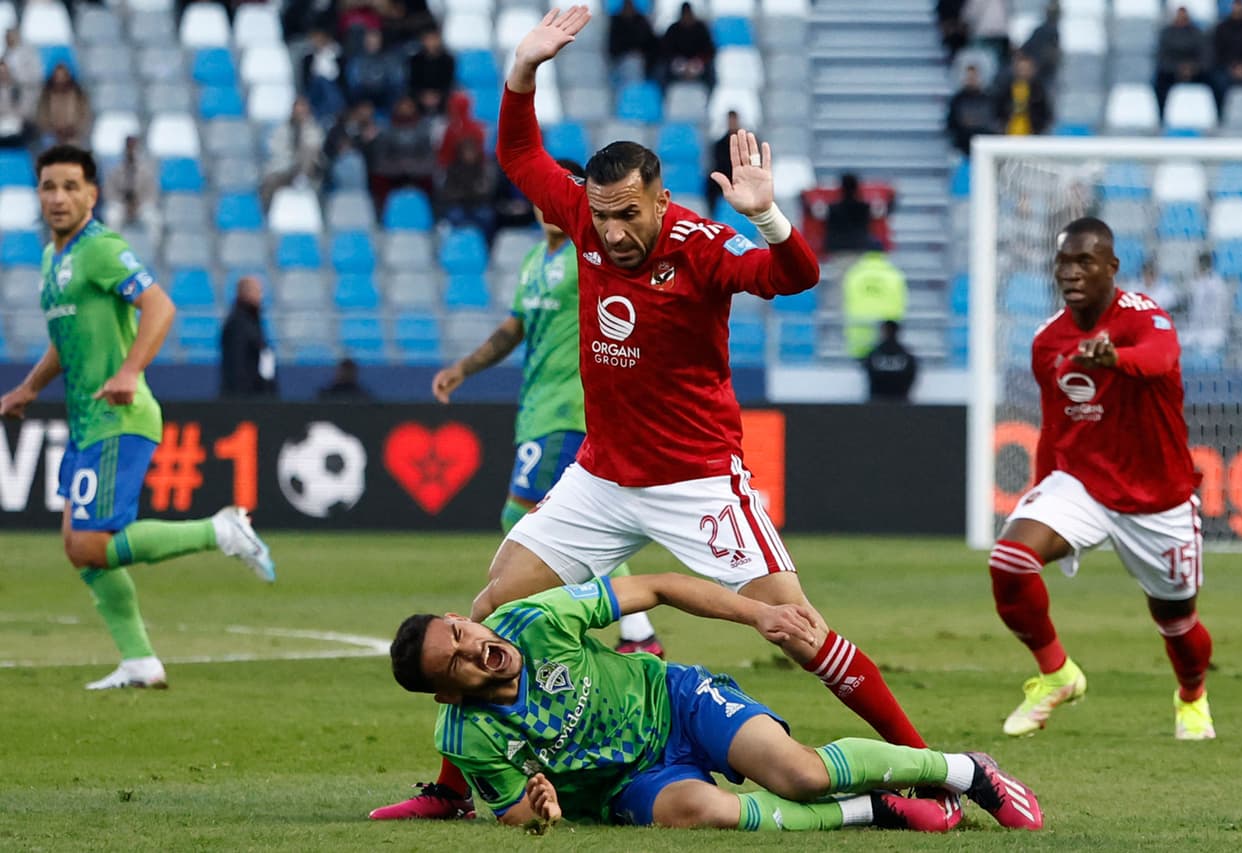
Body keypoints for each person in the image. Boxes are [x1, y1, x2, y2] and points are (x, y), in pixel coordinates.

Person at [371, 6, 933, 822]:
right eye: (600, 215)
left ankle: (924, 765)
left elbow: (795, 276)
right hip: (602, 476)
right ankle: (453, 791)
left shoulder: (703, 246)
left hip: (697, 481)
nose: (611, 231)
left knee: (800, 629)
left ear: (661, 198)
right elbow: (519, 154)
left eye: (627, 214)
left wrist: (767, 215)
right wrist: (522, 71)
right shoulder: (583, 221)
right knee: (491, 608)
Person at [386, 572, 1044, 832]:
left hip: (675, 701)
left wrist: (758, 613)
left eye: (462, 633)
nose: (476, 648)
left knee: (799, 773)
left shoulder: (536, 618)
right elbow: (512, 813)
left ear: (462, 619)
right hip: (628, 783)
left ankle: (967, 771)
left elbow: (658, 586)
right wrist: (540, 811)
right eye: (457, 661)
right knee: (702, 812)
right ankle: (872, 809)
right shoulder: (465, 736)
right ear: (449, 692)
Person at [0, 145, 276, 691]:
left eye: (71, 186)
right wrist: (29, 388)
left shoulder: (100, 248)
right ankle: (139, 661)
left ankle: (220, 530)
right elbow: (65, 340)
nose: (58, 197)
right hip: (88, 421)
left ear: (92, 194)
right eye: (49, 186)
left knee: (89, 542)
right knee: (79, 546)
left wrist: (130, 371)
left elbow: (160, 306)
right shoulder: (53, 259)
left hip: (119, 415)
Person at [988, 217, 1215, 741]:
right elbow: (1054, 426)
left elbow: (1159, 358)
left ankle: (1192, 697)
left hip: (1157, 498)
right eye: (1063, 263)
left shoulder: (1144, 316)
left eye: (1084, 262)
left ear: (1111, 268)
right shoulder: (1048, 341)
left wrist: (1116, 357)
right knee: (1010, 561)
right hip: (1083, 485)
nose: (1070, 273)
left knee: (1177, 622)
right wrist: (1041, 488)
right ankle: (1057, 674)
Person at [428, 156, 662, 660]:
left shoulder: (589, 254)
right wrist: (464, 368)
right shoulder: (535, 261)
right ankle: (630, 629)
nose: (546, 206)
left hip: (573, 408)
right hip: (536, 409)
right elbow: (513, 328)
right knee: (553, 519)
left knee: (524, 513)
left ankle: (625, 627)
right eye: (541, 196)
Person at [260, 96, 326, 207]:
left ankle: (301, 180)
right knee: (270, 182)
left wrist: (299, 166)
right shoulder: (282, 129)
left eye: (302, 111)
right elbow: (276, 151)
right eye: (297, 111)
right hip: (285, 169)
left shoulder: (314, 129)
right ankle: (268, 210)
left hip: (308, 171)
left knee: (309, 150)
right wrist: (289, 163)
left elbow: (314, 151)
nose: (299, 114)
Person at [842, 249, 908, 358]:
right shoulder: (893, 274)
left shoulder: (854, 273)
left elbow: (846, 300)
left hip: (859, 333)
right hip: (886, 333)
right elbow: (901, 302)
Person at [219, 275, 277, 399]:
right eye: (258, 291)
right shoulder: (237, 323)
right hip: (244, 397)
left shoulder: (253, 321)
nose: (261, 296)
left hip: (258, 394)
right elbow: (236, 363)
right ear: (245, 293)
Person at [101, 135, 159, 241]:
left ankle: (155, 249)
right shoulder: (115, 170)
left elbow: (152, 193)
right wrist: (124, 204)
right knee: (111, 216)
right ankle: (114, 248)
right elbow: (109, 193)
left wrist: (138, 204)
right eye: (129, 148)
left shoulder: (147, 171)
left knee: (153, 219)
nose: (131, 151)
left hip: (141, 206)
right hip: (121, 205)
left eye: (133, 148)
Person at [1154, 6, 1211, 112]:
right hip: (1172, 72)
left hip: (1195, 72)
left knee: (1213, 80)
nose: (1181, 19)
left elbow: (1205, 55)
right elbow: (1162, 58)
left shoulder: (1197, 33)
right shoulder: (1166, 34)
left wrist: (1193, 68)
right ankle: (1162, 112)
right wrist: (1178, 68)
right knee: (1160, 82)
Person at [1181, 251, 1230, 362]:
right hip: (1194, 330)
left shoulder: (1218, 284)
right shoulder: (1194, 283)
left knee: (1205, 353)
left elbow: (1223, 311)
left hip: (1214, 331)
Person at [659, 2, 716, 91]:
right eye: (684, 15)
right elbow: (665, 50)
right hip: (677, 64)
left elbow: (710, 50)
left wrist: (699, 61)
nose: (687, 17)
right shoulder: (673, 29)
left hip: (698, 63)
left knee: (711, 73)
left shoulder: (701, 29)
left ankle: (709, 97)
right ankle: (665, 96)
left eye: (688, 15)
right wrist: (677, 61)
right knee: (661, 72)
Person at [993, 52, 1051, 136]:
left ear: (1032, 70)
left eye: (1026, 69)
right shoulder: (1006, 89)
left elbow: (1045, 114)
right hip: (1008, 134)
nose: (1023, 72)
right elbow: (998, 111)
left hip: (1032, 135)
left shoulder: (1038, 90)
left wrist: (1038, 129)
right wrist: (1002, 126)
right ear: (1015, 69)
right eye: (1021, 69)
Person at [34, 63, 91, 147]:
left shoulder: (78, 94)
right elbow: (41, 115)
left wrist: (76, 130)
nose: (60, 79)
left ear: (68, 76)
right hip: (52, 135)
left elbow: (85, 115)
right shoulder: (46, 95)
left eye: (63, 76)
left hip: (73, 134)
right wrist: (50, 130)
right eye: (58, 76)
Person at [946, 64, 995, 156]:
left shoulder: (987, 99)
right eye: (969, 76)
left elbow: (991, 122)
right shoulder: (957, 100)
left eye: (974, 76)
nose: (971, 79)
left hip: (984, 147)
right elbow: (951, 124)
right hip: (962, 148)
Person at [863, 320, 917, 403]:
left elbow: (868, 371)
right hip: (900, 400)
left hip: (877, 400)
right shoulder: (906, 354)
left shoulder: (874, 353)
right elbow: (911, 374)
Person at [408, 27, 455, 119]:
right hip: (420, 96)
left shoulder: (448, 60)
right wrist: (423, 95)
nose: (430, 42)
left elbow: (448, 81)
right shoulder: (415, 60)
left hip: (441, 96)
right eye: (427, 39)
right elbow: (413, 81)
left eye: (433, 39)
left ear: (439, 40)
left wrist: (437, 95)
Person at [608, 0, 658, 81]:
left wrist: (642, 53)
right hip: (621, 60)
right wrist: (629, 52)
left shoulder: (641, 21)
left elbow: (651, 42)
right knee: (632, 64)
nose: (629, 9)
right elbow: (613, 46)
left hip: (643, 59)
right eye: (626, 6)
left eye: (630, 6)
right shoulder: (616, 22)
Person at [705, 109, 740, 214]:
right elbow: (717, 162)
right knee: (711, 183)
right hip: (726, 175)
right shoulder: (719, 144)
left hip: (741, 175)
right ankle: (712, 213)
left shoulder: (745, 141)